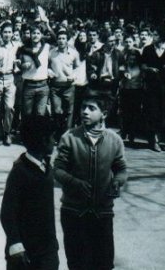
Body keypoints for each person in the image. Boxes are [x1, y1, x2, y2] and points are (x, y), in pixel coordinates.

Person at [54, 96, 127, 270]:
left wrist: (117, 182)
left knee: (103, 263)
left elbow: (121, 169)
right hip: (73, 213)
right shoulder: (69, 137)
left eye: (92, 108)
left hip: (102, 213)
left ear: (104, 114)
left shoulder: (114, 140)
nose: (85, 111)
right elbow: (57, 170)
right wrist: (74, 183)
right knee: (78, 263)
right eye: (83, 107)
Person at [0, 115, 59, 270]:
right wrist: (16, 244)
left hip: (47, 250)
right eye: (52, 138)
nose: (54, 142)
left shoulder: (46, 166)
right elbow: (7, 213)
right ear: (43, 141)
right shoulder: (20, 172)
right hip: (24, 254)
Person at [48, 29, 81, 142]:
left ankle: (66, 136)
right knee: (57, 112)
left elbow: (78, 67)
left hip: (69, 87)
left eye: (63, 39)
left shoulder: (74, 53)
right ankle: (58, 133)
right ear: (56, 40)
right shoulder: (51, 53)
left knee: (69, 112)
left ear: (67, 41)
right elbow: (46, 66)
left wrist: (74, 75)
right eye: (59, 38)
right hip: (55, 87)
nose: (61, 41)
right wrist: (49, 71)